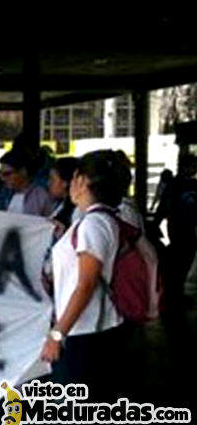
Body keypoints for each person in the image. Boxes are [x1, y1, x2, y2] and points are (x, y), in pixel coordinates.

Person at [40, 150, 130, 404]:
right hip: (89, 331)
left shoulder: (94, 224)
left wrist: (58, 334)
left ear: (81, 181)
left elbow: (86, 284)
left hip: (89, 334)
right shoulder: (95, 221)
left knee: (89, 413)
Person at [154, 153, 197, 317]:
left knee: (179, 260)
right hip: (184, 228)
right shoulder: (187, 185)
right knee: (183, 260)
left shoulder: (175, 185)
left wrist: (156, 223)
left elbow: (163, 207)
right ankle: (175, 293)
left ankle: (174, 293)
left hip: (177, 227)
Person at [0, 148, 55, 217]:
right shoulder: (5, 195)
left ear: (23, 171)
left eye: (7, 174)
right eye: (0, 174)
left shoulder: (40, 196)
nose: (2, 178)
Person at [48, 157, 80, 236]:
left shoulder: (77, 212)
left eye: (52, 180)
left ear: (64, 183)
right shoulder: (60, 205)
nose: (48, 183)